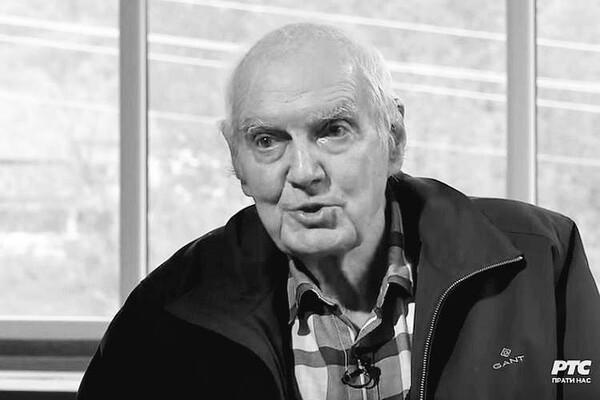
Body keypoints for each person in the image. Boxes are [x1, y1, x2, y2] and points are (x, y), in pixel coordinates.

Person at [78, 23, 600, 400]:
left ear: (394, 138)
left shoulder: (539, 261)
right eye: (267, 140)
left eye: (332, 131)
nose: (304, 171)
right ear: (236, 160)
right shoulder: (167, 313)